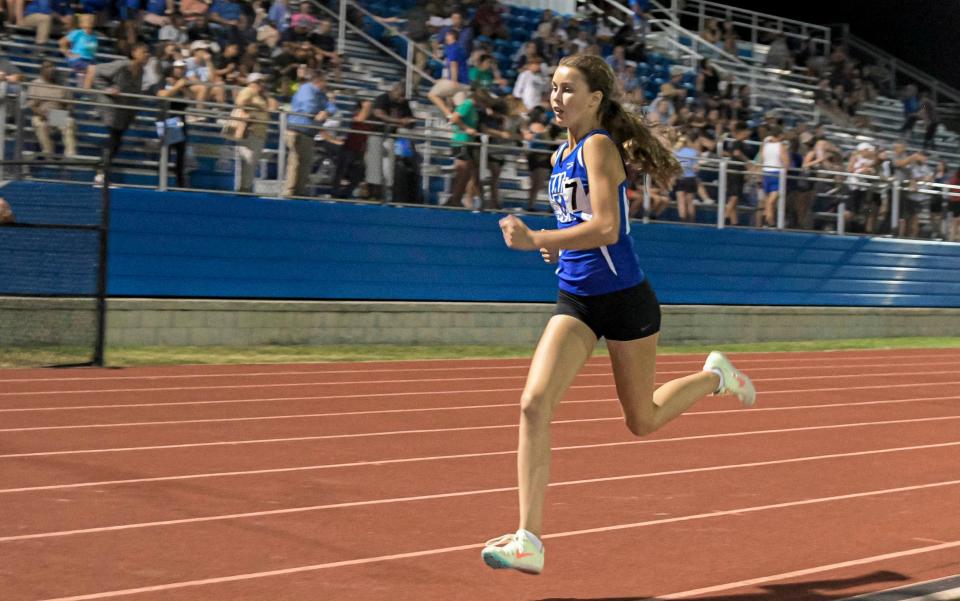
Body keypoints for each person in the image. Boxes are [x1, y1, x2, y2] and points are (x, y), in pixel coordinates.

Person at [483, 54, 756, 575]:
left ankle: (714, 376)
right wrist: (559, 249)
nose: (556, 97)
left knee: (642, 419)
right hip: (578, 300)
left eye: (568, 89)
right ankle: (529, 539)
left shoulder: (599, 147)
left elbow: (608, 228)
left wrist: (539, 237)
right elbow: (582, 226)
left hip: (625, 299)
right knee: (533, 404)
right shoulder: (560, 156)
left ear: (595, 100)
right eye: (554, 88)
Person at [85, 42, 150, 182]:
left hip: (124, 111)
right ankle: (101, 171)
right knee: (114, 138)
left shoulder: (141, 71)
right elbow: (95, 70)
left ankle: (102, 169)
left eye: (148, 52)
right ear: (134, 52)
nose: (147, 55)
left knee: (117, 140)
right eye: (143, 51)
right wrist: (106, 89)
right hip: (111, 105)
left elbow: (135, 92)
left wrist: (134, 113)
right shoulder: (122, 65)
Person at [284, 69, 328, 197]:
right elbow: (309, 108)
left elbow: (330, 107)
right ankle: (290, 191)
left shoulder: (320, 94)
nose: (326, 84)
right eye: (324, 81)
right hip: (297, 130)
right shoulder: (306, 89)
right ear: (319, 81)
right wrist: (320, 112)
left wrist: (325, 112)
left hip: (308, 133)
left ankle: (299, 191)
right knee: (295, 161)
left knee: (305, 163)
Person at [233, 72, 276, 193]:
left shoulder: (262, 95)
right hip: (250, 130)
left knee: (251, 162)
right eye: (260, 82)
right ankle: (245, 188)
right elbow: (240, 103)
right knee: (249, 161)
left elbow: (273, 106)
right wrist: (257, 108)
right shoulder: (249, 91)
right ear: (254, 82)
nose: (263, 84)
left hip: (258, 132)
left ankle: (245, 187)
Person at [27, 60, 78, 158]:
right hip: (41, 114)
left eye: (53, 67)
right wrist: (42, 114)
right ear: (42, 70)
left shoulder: (63, 84)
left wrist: (62, 112)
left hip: (58, 115)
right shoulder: (35, 84)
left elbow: (70, 105)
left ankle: (71, 155)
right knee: (39, 123)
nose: (51, 69)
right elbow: (32, 105)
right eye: (47, 67)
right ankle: (48, 151)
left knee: (69, 122)